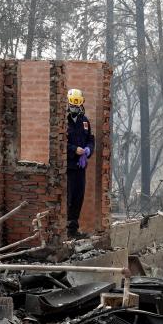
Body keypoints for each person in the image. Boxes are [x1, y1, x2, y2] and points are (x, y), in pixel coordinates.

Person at [66, 88, 95, 239]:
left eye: (77, 105)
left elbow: (90, 139)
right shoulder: (64, 121)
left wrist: (88, 150)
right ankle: (65, 230)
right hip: (68, 168)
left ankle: (73, 230)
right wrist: (73, 150)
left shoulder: (85, 121)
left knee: (79, 196)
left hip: (81, 167)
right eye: (72, 105)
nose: (74, 108)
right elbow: (60, 143)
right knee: (69, 197)